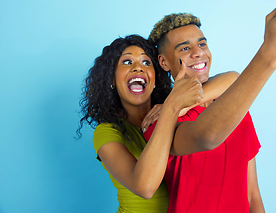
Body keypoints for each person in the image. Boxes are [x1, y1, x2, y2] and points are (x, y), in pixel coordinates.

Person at [143, 0, 276, 212]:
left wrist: (186, 102)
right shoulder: (158, 122)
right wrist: (272, 52)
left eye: (202, 44)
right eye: (184, 48)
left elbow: (252, 195)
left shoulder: (237, 108)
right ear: (163, 62)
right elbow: (207, 135)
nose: (198, 53)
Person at [77, 35, 241, 212]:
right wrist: (173, 106)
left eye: (146, 63)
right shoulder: (107, 132)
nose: (138, 68)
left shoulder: (171, 107)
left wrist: (183, 106)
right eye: (127, 62)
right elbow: (145, 187)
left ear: (155, 78)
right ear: (111, 79)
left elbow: (234, 80)